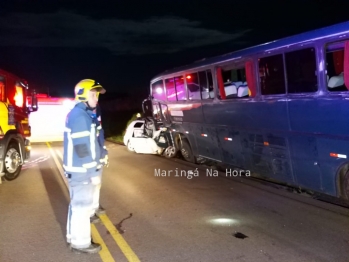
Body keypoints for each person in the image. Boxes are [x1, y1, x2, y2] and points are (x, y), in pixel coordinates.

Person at [63, 79, 106, 254]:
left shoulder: (81, 114)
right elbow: (82, 146)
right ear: (82, 94)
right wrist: (92, 171)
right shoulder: (80, 116)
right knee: (82, 207)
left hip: (77, 170)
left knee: (77, 205)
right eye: (93, 94)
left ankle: (72, 238)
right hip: (81, 171)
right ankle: (81, 244)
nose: (96, 98)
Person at [90, 103, 108, 220]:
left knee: (97, 186)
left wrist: (104, 154)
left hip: (98, 161)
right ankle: (90, 212)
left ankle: (95, 206)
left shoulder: (98, 124)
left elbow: (101, 141)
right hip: (91, 162)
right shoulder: (86, 122)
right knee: (90, 187)